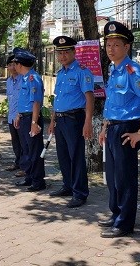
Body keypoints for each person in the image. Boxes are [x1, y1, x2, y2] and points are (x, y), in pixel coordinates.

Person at [98, 21, 140, 238]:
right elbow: (112, 102)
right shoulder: (113, 70)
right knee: (113, 177)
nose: (111, 48)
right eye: (108, 44)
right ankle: (116, 215)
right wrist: (105, 126)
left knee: (125, 179)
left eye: (116, 44)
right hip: (113, 127)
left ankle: (124, 224)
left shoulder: (132, 70)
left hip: (127, 129)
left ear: (127, 47)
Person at [47, 36, 95, 208]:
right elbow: (57, 100)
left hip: (75, 120)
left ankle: (80, 193)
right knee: (63, 156)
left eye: (66, 52)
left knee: (76, 157)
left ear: (74, 52)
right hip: (60, 120)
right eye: (60, 53)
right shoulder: (60, 74)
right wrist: (52, 121)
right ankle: (68, 186)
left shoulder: (82, 72)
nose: (63, 56)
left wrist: (88, 122)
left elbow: (89, 98)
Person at [12, 47, 47, 192]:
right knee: (27, 150)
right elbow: (25, 101)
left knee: (34, 151)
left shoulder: (33, 79)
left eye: (15, 63)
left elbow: (36, 103)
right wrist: (19, 115)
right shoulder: (25, 78)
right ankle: (30, 177)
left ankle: (38, 181)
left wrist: (34, 123)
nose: (14, 66)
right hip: (24, 118)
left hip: (32, 120)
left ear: (20, 64)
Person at [4, 54, 24, 177]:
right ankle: (17, 162)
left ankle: (24, 166)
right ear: (7, 67)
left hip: (21, 116)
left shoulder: (24, 79)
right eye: (10, 64)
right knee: (15, 142)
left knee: (24, 143)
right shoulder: (9, 81)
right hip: (11, 116)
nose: (13, 67)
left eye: (14, 64)